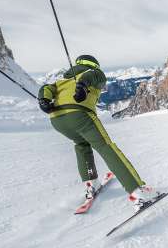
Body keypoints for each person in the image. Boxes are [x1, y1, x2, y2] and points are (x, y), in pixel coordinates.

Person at [38, 54, 153, 211]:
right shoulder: (95, 72)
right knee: (106, 147)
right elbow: (91, 76)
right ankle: (138, 191)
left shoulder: (61, 81)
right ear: (93, 65)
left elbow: (45, 88)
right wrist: (83, 87)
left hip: (57, 120)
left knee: (81, 144)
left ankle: (91, 184)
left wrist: (44, 100)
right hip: (79, 115)